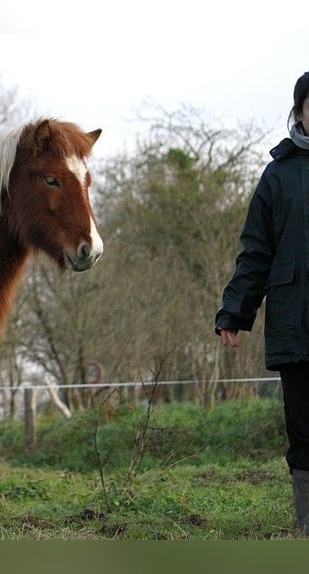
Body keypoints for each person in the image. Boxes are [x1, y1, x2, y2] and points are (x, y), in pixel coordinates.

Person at [215, 71, 309, 536]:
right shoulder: (278, 177)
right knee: (304, 434)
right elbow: (257, 251)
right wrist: (235, 310)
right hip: (298, 327)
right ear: (301, 111)